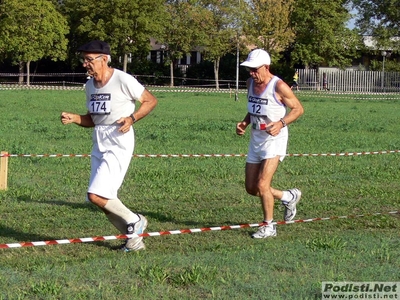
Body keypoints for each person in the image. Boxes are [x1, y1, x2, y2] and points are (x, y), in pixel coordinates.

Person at [60, 40, 158, 251]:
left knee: (96, 195)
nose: (85, 64)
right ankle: (134, 241)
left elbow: (150, 100)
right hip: (99, 140)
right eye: (83, 59)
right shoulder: (89, 86)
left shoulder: (123, 79)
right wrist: (75, 118)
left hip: (119, 139)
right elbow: (93, 120)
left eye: (89, 59)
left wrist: (132, 118)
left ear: (104, 59)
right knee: (101, 199)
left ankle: (135, 220)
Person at [236, 49, 304, 238]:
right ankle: (288, 197)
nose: (251, 73)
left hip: (275, 139)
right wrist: (244, 123)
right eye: (249, 69)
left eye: (255, 69)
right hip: (256, 138)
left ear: (266, 67)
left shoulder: (279, 86)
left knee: (263, 184)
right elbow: (254, 109)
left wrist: (281, 123)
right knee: (252, 187)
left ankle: (268, 226)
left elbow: (298, 109)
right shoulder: (250, 83)